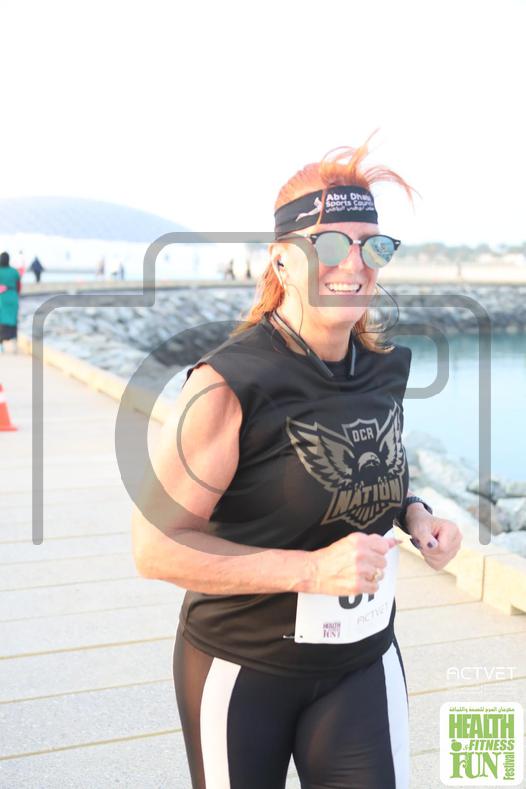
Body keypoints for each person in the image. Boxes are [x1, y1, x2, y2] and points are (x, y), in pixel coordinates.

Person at [132, 135, 462, 789]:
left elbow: (366, 476)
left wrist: (417, 515)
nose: (355, 263)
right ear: (282, 260)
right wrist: (312, 571)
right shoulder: (228, 385)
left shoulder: (381, 368)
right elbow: (154, 547)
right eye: (331, 245)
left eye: (373, 246)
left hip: (362, 660)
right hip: (242, 669)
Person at [0, 252, 21, 353]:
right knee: (13, 319)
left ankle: (1, 345)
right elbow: (18, 286)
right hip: (13, 297)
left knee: (1, 319)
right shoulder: (14, 272)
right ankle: (14, 344)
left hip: (2, 298)